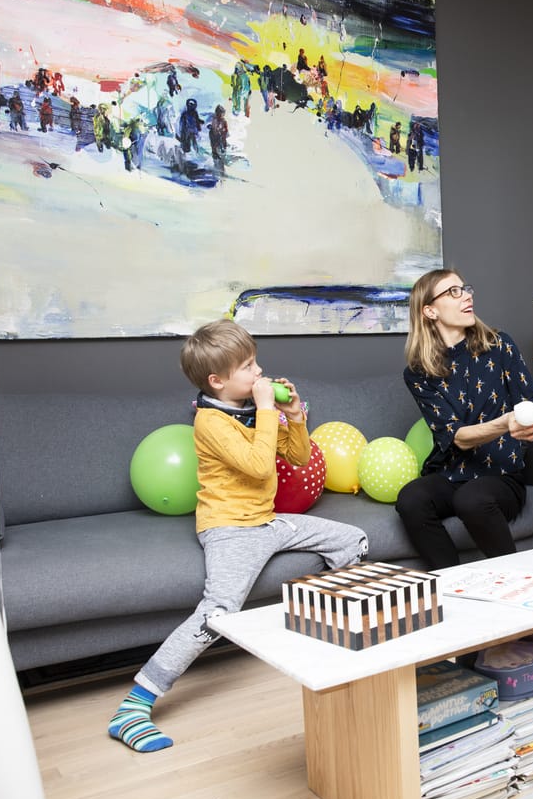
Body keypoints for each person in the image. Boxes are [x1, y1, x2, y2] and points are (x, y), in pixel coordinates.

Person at [107, 320, 368, 753]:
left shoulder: (249, 409)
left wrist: (294, 415)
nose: (259, 371)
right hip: (230, 528)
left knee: (352, 541)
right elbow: (260, 467)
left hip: (267, 521)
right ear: (217, 381)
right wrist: (267, 410)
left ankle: (327, 631)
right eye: (248, 366)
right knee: (218, 612)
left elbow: (298, 457)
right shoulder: (210, 421)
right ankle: (135, 705)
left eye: (255, 361)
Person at [395, 270, 533, 569]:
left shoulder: (499, 345)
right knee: (410, 499)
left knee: (471, 499)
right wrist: (504, 423)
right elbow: (456, 436)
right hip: (451, 472)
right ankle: (451, 581)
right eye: (453, 292)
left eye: (465, 289)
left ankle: (517, 579)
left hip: (501, 475)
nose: (467, 296)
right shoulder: (418, 373)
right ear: (429, 311)